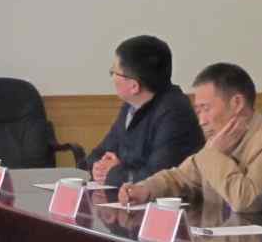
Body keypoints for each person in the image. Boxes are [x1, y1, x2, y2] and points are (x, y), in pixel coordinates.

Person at [119, 62, 262, 213]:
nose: (201, 121)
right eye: (198, 111)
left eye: (206, 109)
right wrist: (145, 189)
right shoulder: (219, 140)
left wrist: (213, 154)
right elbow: (179, 177)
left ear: (237, 103)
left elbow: (248, 201)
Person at [88, 35, 205, 188]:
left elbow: (156, 177)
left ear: (134, 86)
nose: (112, 78)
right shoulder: (131, 105)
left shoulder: (175, 113)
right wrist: (98, 168)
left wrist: (114, 173)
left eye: (113, 72)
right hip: (130, 196)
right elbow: (99, 153)